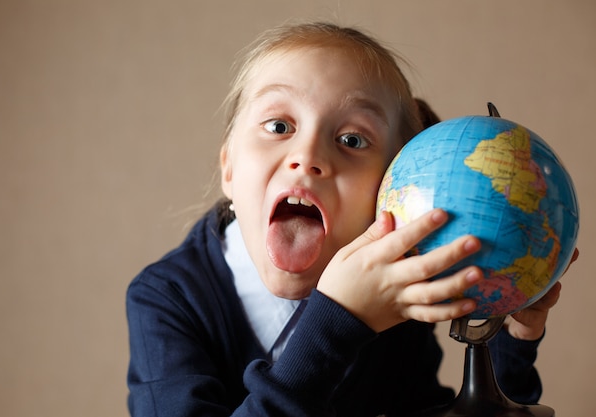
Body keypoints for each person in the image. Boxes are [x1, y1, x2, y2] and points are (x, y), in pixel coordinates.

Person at [126, 21, 576, 417]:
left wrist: (506, 338)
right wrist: (339, 322)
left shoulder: (393, 300)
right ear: (228, 167)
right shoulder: (167, 299)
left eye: (352, 139)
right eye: (279, 126)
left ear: (390, 188)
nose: (307, 157)